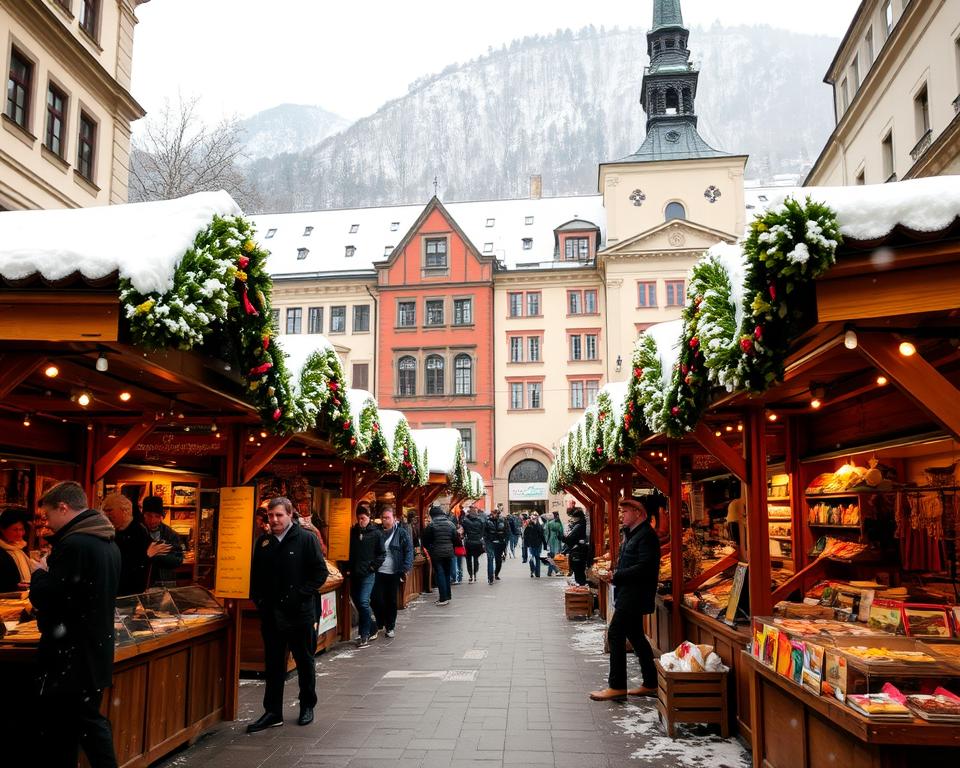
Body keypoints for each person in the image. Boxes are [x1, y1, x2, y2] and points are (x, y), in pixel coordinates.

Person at [30, 481, 121, 767]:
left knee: (79, 725)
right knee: (81, 722)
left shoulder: (74, 544)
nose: (48, 524)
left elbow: (52, 597)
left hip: (71, 654)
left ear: (63, 507)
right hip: (91, 649)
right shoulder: (106, 541)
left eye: (48, 516)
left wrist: (40, 574)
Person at [248, 497, 328, 732]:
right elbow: (256, 577)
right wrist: (260, 601)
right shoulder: (263, 542)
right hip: (272, 615)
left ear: (290, 515)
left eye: (279, 515)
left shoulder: (306, 539)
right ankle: (272, 712)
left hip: (300, 614)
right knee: (273, 665)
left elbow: (319, 573)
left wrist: (300, 595)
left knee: (304, 661)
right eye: (271, 515)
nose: (274, 520)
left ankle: (307, 706)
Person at [590, 497, 661, 701]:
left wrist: (617, 576)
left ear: (638, 513)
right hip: (628, 592)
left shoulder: (646, 535)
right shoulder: (632, 534)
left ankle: (618, 686)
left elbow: (645, 567)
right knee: (636, 636)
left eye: (626, 512)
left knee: (615, 634)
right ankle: (651, 682)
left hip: (635, 594)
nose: (622, 515)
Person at [371, 506, 413, 638]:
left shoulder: (401, 533)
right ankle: (380, 622)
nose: (385, 520)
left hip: (394, 571)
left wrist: (405, 567)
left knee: (391, 600)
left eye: (388, 517)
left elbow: (408, 550)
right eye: (383, 518)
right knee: (376, 599)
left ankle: (390, 626)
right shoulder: (377, 532)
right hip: (378, 571)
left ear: (394, 519)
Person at [347, 503, 385, 648]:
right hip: (354, 573)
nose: (361, 521)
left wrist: (372, 567)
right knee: (357, 602)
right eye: (359, 518)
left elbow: (382, 554)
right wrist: (347, 568)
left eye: (363, 518)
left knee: (363, 601)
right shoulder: (353, 532)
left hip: (368, 573)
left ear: (369, 518)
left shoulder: (376, 533)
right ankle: (373, 626)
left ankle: (364, 635)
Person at [101, 493, 151, 596]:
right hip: (112, 590)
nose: (105, 515)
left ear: (125, 511)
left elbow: (137, 565)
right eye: (104, 511)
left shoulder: (139, 532)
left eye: (109, 510)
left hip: (130, 593)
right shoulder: (110, 531)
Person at [141, 495, 184, 587]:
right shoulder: (137, 533)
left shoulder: (171, 534)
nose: (152, 520)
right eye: (149, 515)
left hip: (166, 583)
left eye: (156, 516)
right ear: (143, 514)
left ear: (161, 516)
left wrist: (153, 555)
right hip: (142, 584)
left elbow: (178, 560)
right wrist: (158, 552)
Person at [420, 505, 457, 605]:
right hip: (449, 552)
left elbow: (425, 540)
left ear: (432, 515)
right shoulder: (451, 524)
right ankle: (448, 595)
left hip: (436, 553)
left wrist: (430, 548)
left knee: (440, 574)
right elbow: (456, 539)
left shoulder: (431, 525)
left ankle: (443, 598)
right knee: (447, 573)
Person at [0, 506, 34, 592]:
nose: (20, 533)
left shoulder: (18, 548)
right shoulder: (2, 551)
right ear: (2, 530)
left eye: (22, 529)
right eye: (15, 530)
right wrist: (13, 586)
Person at [562, 507, 590, 586]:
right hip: (581, 551)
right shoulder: (582, 524)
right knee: (580, 571)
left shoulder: (578, 526)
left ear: (577, 517)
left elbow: (570, 539)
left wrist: (562, 537)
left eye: (573, 517)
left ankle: (581, 587)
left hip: (578, 552)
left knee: (578, 572)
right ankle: (581, 586)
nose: (572, 519)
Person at [483, 505, 508, 584]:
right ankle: (492, 577)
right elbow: (507, 532)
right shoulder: (503, 520)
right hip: (497, 543)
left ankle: (493, 576)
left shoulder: (487, 521)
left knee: (494, 560)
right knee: (495, 560)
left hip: (493, 542)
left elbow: (484, 533)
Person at [460, 505, 485, 583]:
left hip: (469, 542)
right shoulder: (480, 521)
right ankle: (475, 574)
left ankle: (470, 575)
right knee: (476, 558)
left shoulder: (465, 520)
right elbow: (482, 531)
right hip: (477, 542)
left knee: (468, 560)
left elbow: (463, 531)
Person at [523, 513, 547, 578]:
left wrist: (545, 545)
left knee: (535, 558)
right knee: (533, 558)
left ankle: (536, 572)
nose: (533, 519)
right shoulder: (532, 526)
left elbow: (542, 536)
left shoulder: (537, 526)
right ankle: (534, 571)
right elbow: (525, 536)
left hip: (536, 545)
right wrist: (526, 544)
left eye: (534, 518)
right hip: (533, 544)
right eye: (533, 518)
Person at [543, 511, 564, 577]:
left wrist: (546, 542)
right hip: (556, 541)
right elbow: (561, 532)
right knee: (555, 556)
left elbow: (546, 533)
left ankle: (550, 572)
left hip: (550, 541)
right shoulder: (557, 523)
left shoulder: (548, 523)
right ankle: (557, 570)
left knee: (551, 556)